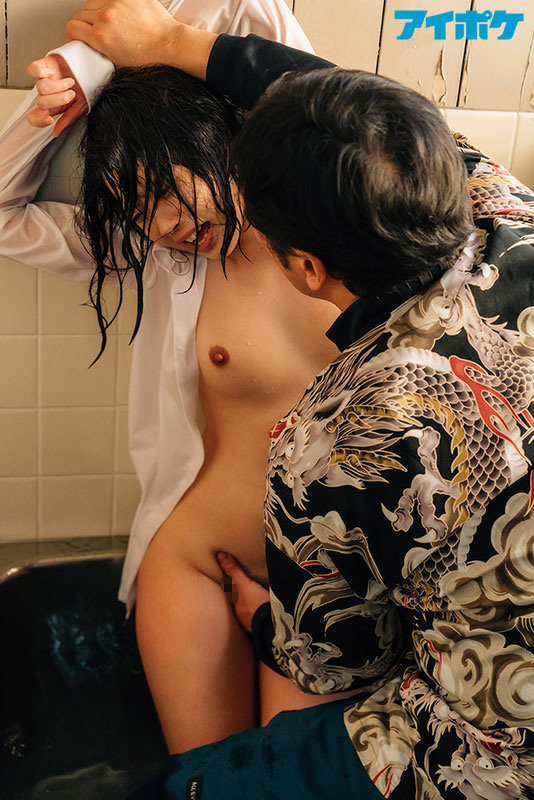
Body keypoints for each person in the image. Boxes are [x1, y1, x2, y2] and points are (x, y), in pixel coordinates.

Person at [62, 4, 534, 800]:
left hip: (486, 749)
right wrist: (171, 43)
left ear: (308, 269)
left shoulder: (333, 435)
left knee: (193, 787)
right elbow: (377, 115)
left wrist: (261, 616)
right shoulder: (509, 212)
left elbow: (331, 658)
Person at [0, 0, 358, 758]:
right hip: (200, 566)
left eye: (167, 192)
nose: (162, 226)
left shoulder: (346, 222)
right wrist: (66, 95)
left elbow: (322, 84)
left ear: (224, 143)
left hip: (332, 577)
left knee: (295, 784)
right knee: (206, 783)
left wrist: (140, 45)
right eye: (137, 213)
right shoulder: (164, 260)